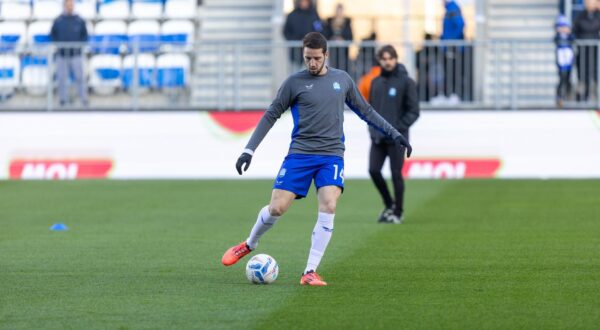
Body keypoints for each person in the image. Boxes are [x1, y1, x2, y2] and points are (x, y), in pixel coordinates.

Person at [221, 32, 412, 286]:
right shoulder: (293, 83)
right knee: (277, 208)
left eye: (316, 58)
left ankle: (309, 271)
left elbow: (366, 111)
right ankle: (249, 243)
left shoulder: (341, 80)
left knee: (329, 204)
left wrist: (395, 133)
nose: (311, 63)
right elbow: (271, 115)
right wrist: (249, 150)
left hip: (332, 155)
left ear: (326, 56)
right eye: (307, 58)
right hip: (299, 154)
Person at [368, 45, 419, 224]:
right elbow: (370, 110)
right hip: (378, 137)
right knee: (373, 170)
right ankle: (389, 204)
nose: (387, 62)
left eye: (390, 58)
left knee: (396, 173)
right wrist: (372, 129)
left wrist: (397, 129)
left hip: (397, 139)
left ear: (396, 59)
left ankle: (398, 211)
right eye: (384, 59)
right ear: (379, 60)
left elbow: (414, 111)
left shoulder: (406, 82)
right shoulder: (375, 82)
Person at [50, 0, 89, 107]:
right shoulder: (58, 20)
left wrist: (79, 46)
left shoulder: (79, 20)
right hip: (62, 54)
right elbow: (53, 35)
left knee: (80, 77)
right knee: (62, 78)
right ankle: (63, 100)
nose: (70, 7)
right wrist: (59, 46)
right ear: (64, 6)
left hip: (76, 54)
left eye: (71, 4)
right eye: (68, 5)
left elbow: (85, 35)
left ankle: (83, 99)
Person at [572, 0, 600, 102]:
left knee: (596, 75)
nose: (588, 4)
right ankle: (583, 100)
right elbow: (575, 29)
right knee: (583, 77)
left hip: (596, 53)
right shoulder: (581, 16)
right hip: (583, 53)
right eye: (587, 2)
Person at [283, 0, 324, 69]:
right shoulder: (292, 15)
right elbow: (286, 32)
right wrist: (296, 41)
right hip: (295, 53)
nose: (304, 3)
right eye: (302, 1)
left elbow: (319, 30)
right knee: (296, 73)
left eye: (306, 1)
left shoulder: (314, 15)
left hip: (312, 53)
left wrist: (311, 40)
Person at [440, 0, 466, 103]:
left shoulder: (453, 9)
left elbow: (460, 25)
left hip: (453, 48)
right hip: (449, 47)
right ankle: (448, 95)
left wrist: (451, 41)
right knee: (449, 71)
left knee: (453, 71)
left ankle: (454, 95)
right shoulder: (450, 9)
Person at [324, 3, 353, 72]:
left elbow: (350, 36)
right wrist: (333, 38)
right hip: (332, 51)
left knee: (343, 69)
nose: (339, 13)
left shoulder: (347, 22)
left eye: (340, 11)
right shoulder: (329, 21)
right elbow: (326, 34)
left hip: (343, 52)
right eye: (338, 10)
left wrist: (343, 39)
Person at [554, 15, 575, 108]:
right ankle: (560, 98)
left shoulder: (570, 37)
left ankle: (568, 96)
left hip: (568, 59)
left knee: (568, 78)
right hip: (561, 60)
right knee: (562, 78)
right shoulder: (558, 37)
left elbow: (573, 39)